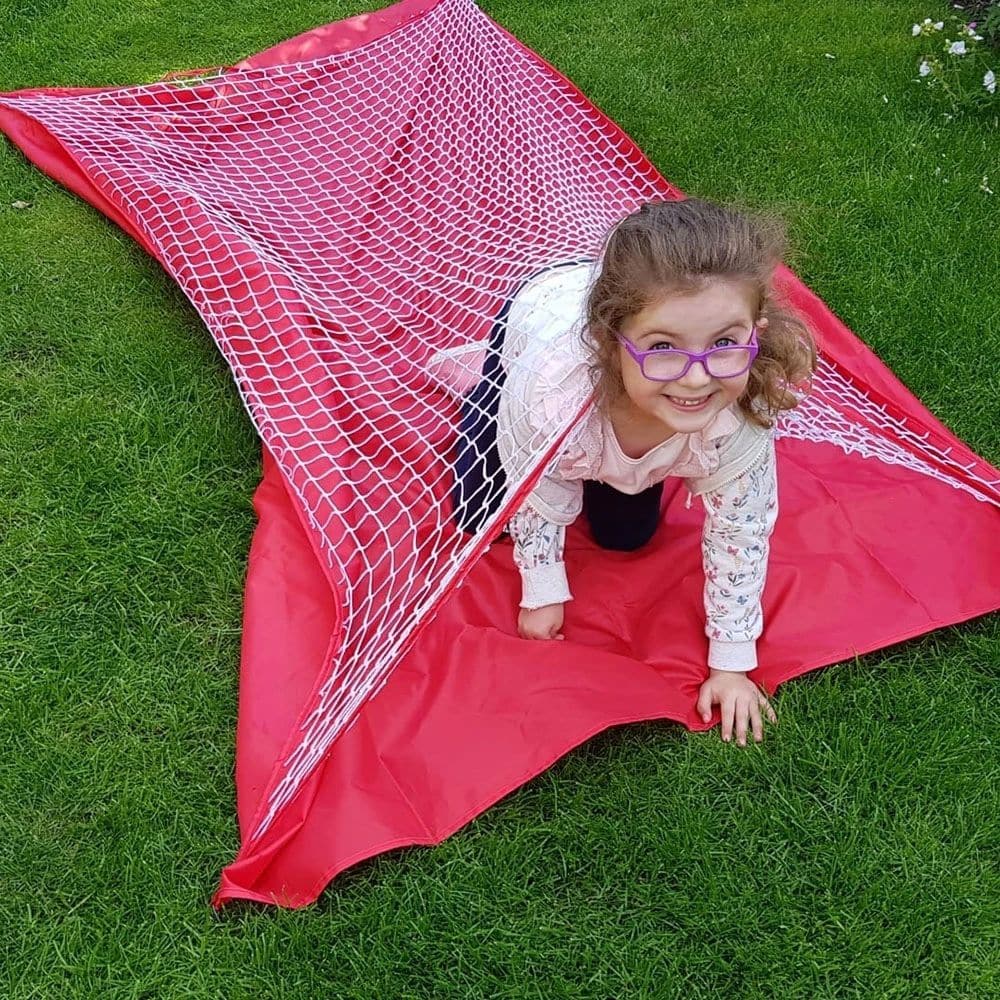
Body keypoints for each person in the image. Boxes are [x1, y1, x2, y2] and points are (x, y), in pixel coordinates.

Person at [452, 197, 816, 746]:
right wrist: (543, 586)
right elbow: (539, 491)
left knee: (628, 535)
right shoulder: (551, 398)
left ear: (755, 333)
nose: (696, 380)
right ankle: (481, 382)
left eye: (723, 343)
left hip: (610, 405)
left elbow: (741, 533)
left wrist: (731, 664)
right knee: (476, 509)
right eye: (664, 348)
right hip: (533, 329)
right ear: (608, 342)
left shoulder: (736, 418)